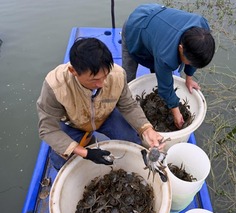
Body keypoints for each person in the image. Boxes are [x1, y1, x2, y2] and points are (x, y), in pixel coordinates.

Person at [36, 37, 164, 170]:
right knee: (60, 162)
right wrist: (86, 153)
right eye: (94, 80)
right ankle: (86, 142)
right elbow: (48, 129)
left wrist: (147, 129)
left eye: (105, 76)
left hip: (105, 115)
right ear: (73, 71)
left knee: (133, 141)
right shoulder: (55, 85)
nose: (101, 84)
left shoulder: (118, 74)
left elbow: (128, 106)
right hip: (73, 123)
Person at [122, 3, 215, 129]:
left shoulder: (202, 30)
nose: (191, 65)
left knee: (159, 71)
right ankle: (126, 111)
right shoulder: (165, 55)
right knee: (128, 78)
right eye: (189, 62)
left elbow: (194, 58)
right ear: (181, 48)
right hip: (136, 26)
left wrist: (189, 78)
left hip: (158, 28)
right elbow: (165, 87)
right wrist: (176, 112)